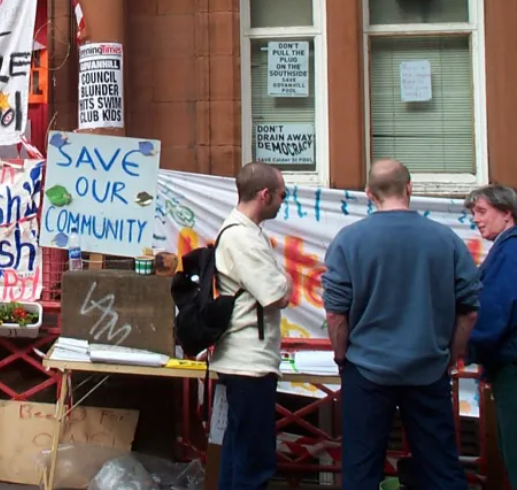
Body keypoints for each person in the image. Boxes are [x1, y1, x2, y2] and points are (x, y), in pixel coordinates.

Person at [322, 159, 481, 490]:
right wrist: (450, 356)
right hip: (428, 368)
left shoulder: (348, 240)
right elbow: (469, 310)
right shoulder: (446, 240)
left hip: (366, 369)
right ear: (409, 189)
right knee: (441, 467)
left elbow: (337, 314)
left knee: (361, 470)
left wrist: (342, 357)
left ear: (368, 194)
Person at [212, 161, 291, 490]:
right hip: (249, 363)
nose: (283, 201)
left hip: (245, 360)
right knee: (253, 460)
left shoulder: (245, 232)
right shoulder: (242, 237)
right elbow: (277, 295)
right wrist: (285, 281)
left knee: (239, 449)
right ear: (264, 195)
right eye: (282, 195)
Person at [464, 184, 517, 483]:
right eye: (474, 213)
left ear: (507, 213)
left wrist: (463, 345)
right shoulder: (506, 248)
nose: (476, 219)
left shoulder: (510, 251)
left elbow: (497, 307)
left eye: (482, 211)